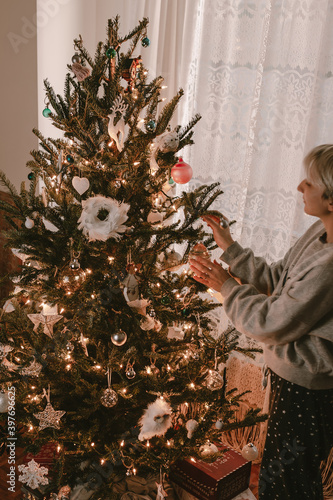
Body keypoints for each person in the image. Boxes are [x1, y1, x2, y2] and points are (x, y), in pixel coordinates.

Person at [189, 144, 333, 500]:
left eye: (310, 183)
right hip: (292, 378)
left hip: (310, 391)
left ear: (331, 199)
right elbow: (278, 278)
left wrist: (224, 286)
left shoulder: (330, 265)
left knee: (290, 483)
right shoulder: (319, 234)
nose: (300, 187)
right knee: (280, 473)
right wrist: (230, 248)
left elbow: (274, 320)